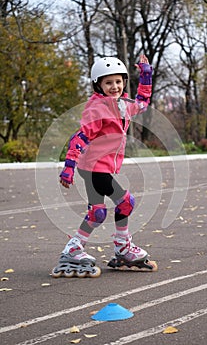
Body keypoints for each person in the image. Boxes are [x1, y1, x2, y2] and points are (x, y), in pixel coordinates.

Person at [52, 54, 158, 278]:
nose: (114, 86)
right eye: (108, 82)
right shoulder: (97, 109)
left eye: (118, 81)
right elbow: (79, 138)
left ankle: (74, 248)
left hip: (98, 167)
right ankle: (122, 247)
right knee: (126, 202)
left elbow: (143, 102)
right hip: (93, 168)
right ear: (98, 85)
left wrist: (146, 74)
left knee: (97, 212)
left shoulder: (123, 106)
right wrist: (68, 167)